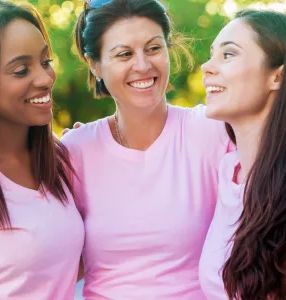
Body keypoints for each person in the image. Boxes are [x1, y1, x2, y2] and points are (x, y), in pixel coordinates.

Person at [61, 0, 231, 298]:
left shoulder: (212, 131)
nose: (142, 65)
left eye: (153, 48)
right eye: (124, 54)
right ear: (95, 64)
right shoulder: (74, 151)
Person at [0, 1, 84, 299]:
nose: (45, 79)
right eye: (20, 70)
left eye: (45, 61)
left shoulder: (60, 160)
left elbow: (60, 267)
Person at [199, 9, 286, 300]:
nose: (206, 67)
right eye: (212, 55)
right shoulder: (229, 173)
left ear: (276, 76)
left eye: (228, 55)